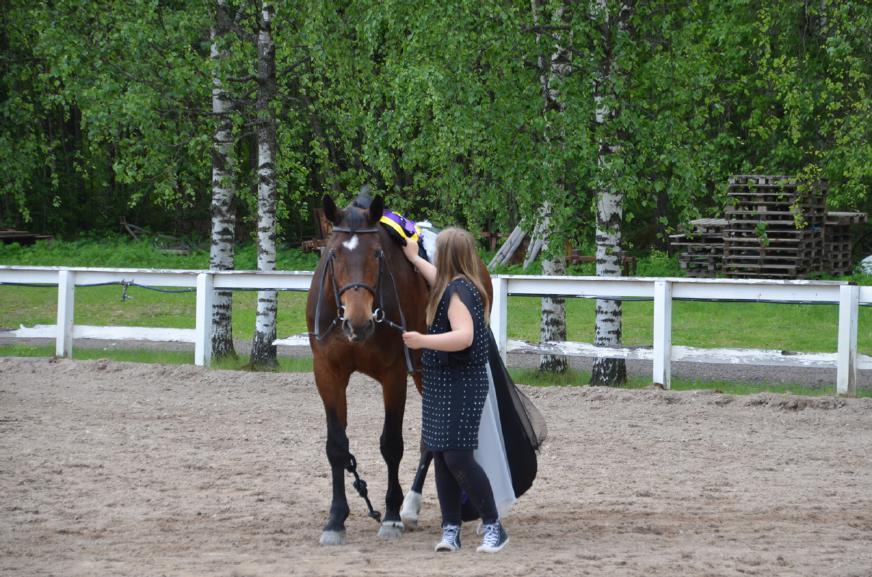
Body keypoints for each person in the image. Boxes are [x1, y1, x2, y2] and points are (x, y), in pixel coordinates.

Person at [401, 227, 509, 554]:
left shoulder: (459, 292)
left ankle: (494, 527)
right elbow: (436, 277)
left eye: (436, 251)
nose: (432, 255)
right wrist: (413, 258)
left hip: (461, 383)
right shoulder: (454, 284)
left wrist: (422, 341)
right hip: (442, 383)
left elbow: (464, 336)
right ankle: (450, 529)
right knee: (441, 456)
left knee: (458, 458)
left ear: (446, 254)